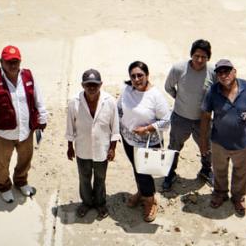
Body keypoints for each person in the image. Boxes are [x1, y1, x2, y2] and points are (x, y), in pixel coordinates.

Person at [0, 44, 49, 204]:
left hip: (26, 130)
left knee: (26, 159)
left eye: (15, 61)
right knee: (2, 163)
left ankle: (21, 181)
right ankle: (3, 186)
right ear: (1, 61)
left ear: (20, 61)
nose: (13, 65)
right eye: (9, 61)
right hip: (3, 134)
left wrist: (42, 117)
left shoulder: (28, 77)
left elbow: (38, 98)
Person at [198, 58, 246, 217]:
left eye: (227, 71)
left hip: (243, 143)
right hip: (219, 142)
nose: (223, 75)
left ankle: (238, 197)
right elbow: (206, 116)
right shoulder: (213, 91)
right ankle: (220, 192)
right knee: (219, 170)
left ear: (234, 72)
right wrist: (203, 142)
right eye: (220, 72)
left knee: (241, 172)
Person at [117, 60, 173, 222]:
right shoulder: (127, 90)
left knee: (145, 172)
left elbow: (167, 120)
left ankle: (150, 201)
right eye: (133, 76)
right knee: (137, 168)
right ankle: (142, 192)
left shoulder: (155, 96)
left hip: (147, 142)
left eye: (140, 75)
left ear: (147, 76)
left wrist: (147, 129)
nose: (136, 79)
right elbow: (119, 108)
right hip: (128, 138)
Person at [66, 68, 119, 218]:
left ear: (100, 84)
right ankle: (87, 203)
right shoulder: (74, 103)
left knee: (100, 178)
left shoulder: (109, 102)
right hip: (82, 149)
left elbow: (115, 127)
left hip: (102, 149)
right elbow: (70, 127)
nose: (91, 88)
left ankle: (100, 203)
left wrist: (112, 148)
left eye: (95, 85)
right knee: (84, 178)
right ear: (82, 85)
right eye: (88, 84)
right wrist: (70, 147)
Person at [163, 39, 214, 188]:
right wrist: (180, 100)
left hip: (203, 121)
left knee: (207, 147)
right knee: (174, 147)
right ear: (191, 55)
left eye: (203, 57)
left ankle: (206, 170)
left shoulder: (212, 72)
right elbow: (169, 87)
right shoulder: (178, 69)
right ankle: (170, 173)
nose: (199, 60)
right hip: (180, 118)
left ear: (208, 58)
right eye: (196, 56)